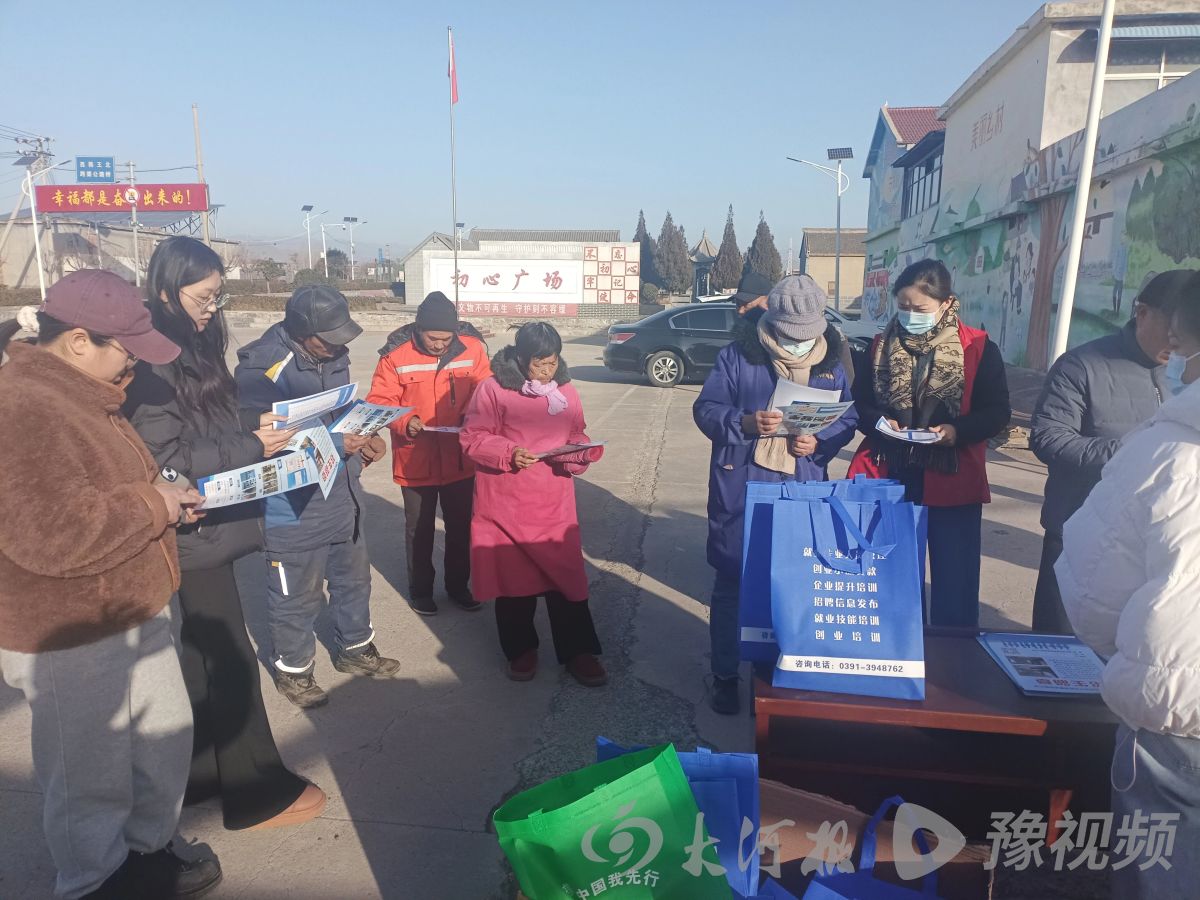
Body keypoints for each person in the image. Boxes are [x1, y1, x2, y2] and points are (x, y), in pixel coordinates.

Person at [0, 270, 221, 899]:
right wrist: (153, 505)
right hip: (70, 629)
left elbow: (114, 486)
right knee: (89, 773)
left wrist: (168, 496)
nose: (135, 364)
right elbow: (52, 534)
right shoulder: (22, 408)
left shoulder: (86, 395)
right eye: (127, 349)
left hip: (131, 607)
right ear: (78, 341)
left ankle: (147, 850)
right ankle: (93, 880)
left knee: (163, 741)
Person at [124, 237, 326, 831]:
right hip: (190, 522)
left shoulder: (192, 345)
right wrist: (250, 446)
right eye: (203, 297)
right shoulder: (154, 362)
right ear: (167, 291)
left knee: (200, 652)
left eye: (218, 296)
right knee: (229, 653)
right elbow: (167, 458)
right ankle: (255, 790)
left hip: (208, 519)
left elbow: (206, 423)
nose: (212, 308)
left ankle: (201, 773)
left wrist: (253, 425)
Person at [1055, 271, 1200, 900]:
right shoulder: (1083, 366)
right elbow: (1051, 436)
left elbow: (1090, 593)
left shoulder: (1165, 451)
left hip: (1176, 720)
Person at [694, 274, 858, 715]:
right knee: (732, 583)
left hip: (802, 483)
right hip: (743, 483)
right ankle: (725, 675)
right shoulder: (738, 356)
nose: (799, 344)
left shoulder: (830, 362)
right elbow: (706, 409)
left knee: (795, 583)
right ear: (772, 322)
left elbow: (847, 417)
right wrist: (745, 423)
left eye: (807, 336)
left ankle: (779, 672)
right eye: (790, 335)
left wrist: (820, 442)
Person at [235, 284, 398, 709]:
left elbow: (341, 409)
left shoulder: (334, 353)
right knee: (296, 594)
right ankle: (294, 670)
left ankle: (355, 649)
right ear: (302, 331)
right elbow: (257, 437)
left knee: (353, 579)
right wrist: (335, 442)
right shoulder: (262, 367)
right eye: (329, 340)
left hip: (343, 493)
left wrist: (365, 437)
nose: (338, 347)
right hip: (293, 503)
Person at [848, 259, 1010, 627]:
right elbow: (859, 403)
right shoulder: (880, 346)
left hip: (952, 476)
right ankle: (899, 646)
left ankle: (954, 654)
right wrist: (878, 421)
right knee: (891, 580)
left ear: (946, 302)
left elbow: (997, 412)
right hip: (890, 474)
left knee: (955, 582)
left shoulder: (978, 347)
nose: (910, 315)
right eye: (903, 306)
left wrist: (957, 431)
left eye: (920, 309)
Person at [1028, 270, 1192, 633]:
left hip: (1156, 541)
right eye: (1172, 327)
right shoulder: (1082, 365)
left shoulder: (1189, 374)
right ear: (1142, 313)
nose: (1178, 340)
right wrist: (1129, 452)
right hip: (1079, 533)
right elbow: (1048, 437)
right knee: (1063, 650)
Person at [459, 322, 606, 686]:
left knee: (566, 579)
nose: (546, 371)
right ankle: (521, 650)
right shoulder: (493, 389)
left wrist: (578, 453)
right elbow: (473, 437)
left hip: (553, 501)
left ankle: (579, 652)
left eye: (552, 363)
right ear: (521, 358)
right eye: (539, 364)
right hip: (506, 500)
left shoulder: (565, 390)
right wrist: (509, 452)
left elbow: (576, 432)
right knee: (514, 582)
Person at [366, 291, 492, 616]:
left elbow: (486, 389)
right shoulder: (395, 356)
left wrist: (473, 415)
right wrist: (405, 421)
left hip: (459, 458)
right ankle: (421, 591)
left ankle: (458, 586)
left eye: (445, 339)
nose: (439, 345)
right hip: (415, 459)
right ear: (418, 330)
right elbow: (380, 399)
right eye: (432, 338)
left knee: (461, 527)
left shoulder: (472, 349)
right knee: (419, 529)